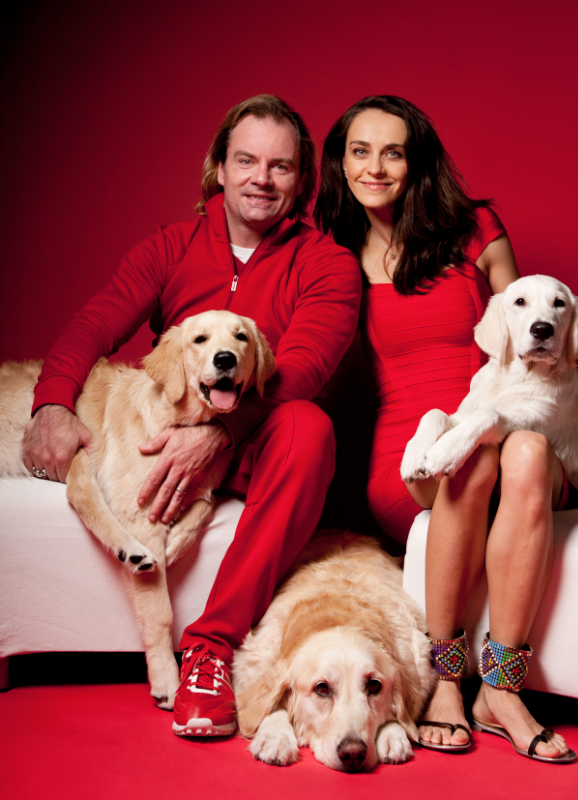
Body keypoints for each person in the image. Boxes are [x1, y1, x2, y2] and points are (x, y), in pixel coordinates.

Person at [22, 94, 362, 737]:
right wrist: (52, 403)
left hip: (262, 443)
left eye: (281, 166)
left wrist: (221, 434)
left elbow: (304, 368)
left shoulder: (327, 264)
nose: (262, 178)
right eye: (246, 161)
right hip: (166, 436)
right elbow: (94, 323)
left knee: (310, 427)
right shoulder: (171, 246)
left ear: (304, 180)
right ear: (219, 168)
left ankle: (209, 649)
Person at [315, 95, 578, 762]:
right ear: (338, 163)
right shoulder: (330, 255)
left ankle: (499, 689)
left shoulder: (473, 227)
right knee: (471, 461)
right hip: (414, 453)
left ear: (414, 159)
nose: (374, 166)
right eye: (358, 151)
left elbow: (537, 331)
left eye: (391, 151)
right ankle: (447, 678)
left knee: (527, 448)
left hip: (511, 430)